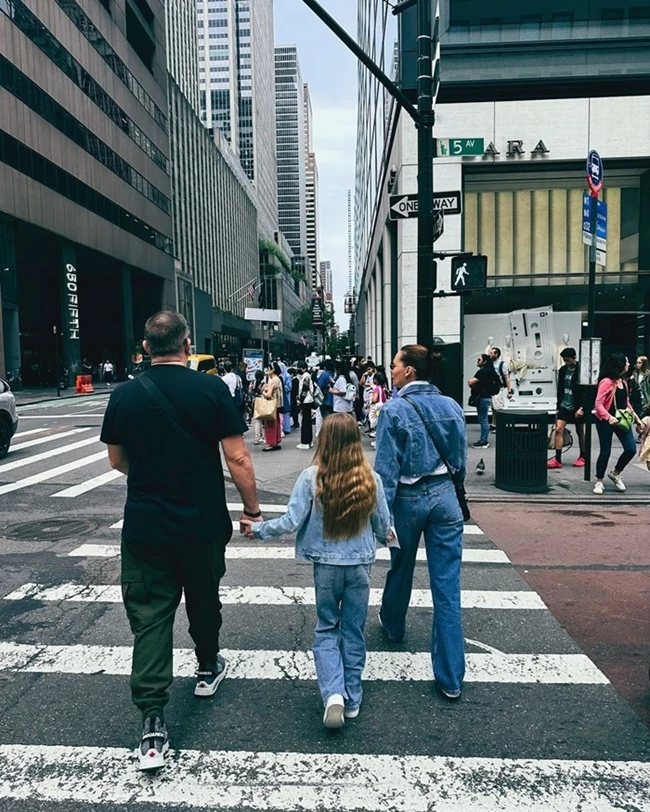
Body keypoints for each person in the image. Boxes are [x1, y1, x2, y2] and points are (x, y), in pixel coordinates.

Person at [100, 311, 262, 771]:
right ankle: (208, 667)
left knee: (150, 617)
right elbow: (239, 457)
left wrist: (153, 478)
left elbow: (116, 460)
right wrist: (251, 510)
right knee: (204, 596)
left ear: (146, 348)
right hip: (203, 522)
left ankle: (153, 721)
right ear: (187, 344)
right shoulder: (212, 389)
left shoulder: (126, 395)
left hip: (146, 526)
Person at [241, 413, 393, 727]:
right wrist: (385, 539)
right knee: (353, 630)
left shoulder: (312, 477)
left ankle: (333, 693)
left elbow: (291, 521)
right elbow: (383, 526)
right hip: (360, 565)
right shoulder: (370, 478)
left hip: (325, 566)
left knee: (327, 628)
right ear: (356, 442)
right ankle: (352, 696)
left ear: (323, 440)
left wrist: (258, 529)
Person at [374, 344, 467, 699]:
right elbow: (459, 457)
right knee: (447, 584)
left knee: (401, 566)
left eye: (395, 365)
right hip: (445, 496)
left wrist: (381, 518)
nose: (392, 370)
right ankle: (451, 676)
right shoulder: (452, 406)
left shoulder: (394, 410)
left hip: (409, 499)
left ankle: (394, 625)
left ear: (409, 371)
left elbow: (385, 471)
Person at [593, 353, 642, 495]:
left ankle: (615, 473)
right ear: (619, 365)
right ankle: (599, 481)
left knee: (631, 449)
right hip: (605, 420)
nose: (628, 364)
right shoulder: (606, 382)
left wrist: (637, 419)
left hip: (621, 419)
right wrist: (608, 417)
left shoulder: (624, 381)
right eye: (626, 362)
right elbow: (598, 404)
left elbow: (626, 402)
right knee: (605, 451)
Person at [547, 347, 586, 469]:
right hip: (565, 404)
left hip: (577, 405)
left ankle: (583, 456)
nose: (566, 362)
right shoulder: (563, 370)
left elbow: (586, 391)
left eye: (568, 360)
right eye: (564, 360)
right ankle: (558, 459)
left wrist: (582, 408)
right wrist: (558, 406)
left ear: (574, 358)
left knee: (580, 431)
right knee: (559, 429)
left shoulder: (581, 370)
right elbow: (560, 389)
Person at [467, 354, 500, 449]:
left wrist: (471, 383)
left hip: (482, 398)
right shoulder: (490, 372)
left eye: (479, 359)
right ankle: (483, 440)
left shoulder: (482, 372)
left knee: (483, 419)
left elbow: (471, 382)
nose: (477, 361)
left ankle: (483, 441)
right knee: (483, 419)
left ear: (484, 362)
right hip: (487, 397)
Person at [488, 347, 513, 432]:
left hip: (498, 388)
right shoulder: (489, 364)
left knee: (498, 407)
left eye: (491, 353)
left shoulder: (502, 364)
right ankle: (494, 424)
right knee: (493, 407)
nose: (489, 354)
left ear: (496, 354)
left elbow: (507, 378)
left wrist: (509, 391)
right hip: (490, 388)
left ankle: (499, 425)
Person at [263, 362, 284, 451]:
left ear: (273, 370)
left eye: (269, 368)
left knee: (270, 424)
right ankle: (276, 440)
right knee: (277, 423)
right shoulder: (278, 379)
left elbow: (268, 394)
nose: (267, 370)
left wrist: (263, 392)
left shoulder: (271, 380)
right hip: (278, 404)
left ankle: (271, 443)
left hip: (271, 404)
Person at [296, 361, 315, 449]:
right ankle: (309, 441)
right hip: (308, 400)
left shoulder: (306, 377)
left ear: (304, 368)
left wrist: (300, 400)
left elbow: (304, 389)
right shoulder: (306, 376)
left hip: (306, 401)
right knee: (307, 421)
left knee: (305, 422)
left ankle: (305, 442)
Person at [316, 361, 335, 438]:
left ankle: (327, 436)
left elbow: (319, 386)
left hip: (325, 400)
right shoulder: (336, 374)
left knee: (326, 420)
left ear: (325, 367)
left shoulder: (324, 375)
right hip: (335, 400)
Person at [249, 369, 266, 445]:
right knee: (261, 421)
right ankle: (260, 437)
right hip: (262, 402)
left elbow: (249, 392)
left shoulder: (252, 383)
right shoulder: (264, 385)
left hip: (254, 402)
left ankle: (258, 437)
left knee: (257, 420)